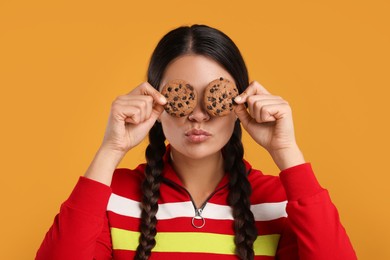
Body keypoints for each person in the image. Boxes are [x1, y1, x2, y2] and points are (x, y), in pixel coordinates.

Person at [36, 24, 357, 260]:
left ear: (240, 103)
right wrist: (110, 150)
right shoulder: (112, 196)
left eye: (215, 95)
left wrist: (287, 152)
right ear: (155, 103)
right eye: (183, 96)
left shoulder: (277, 202)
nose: (199, 115)